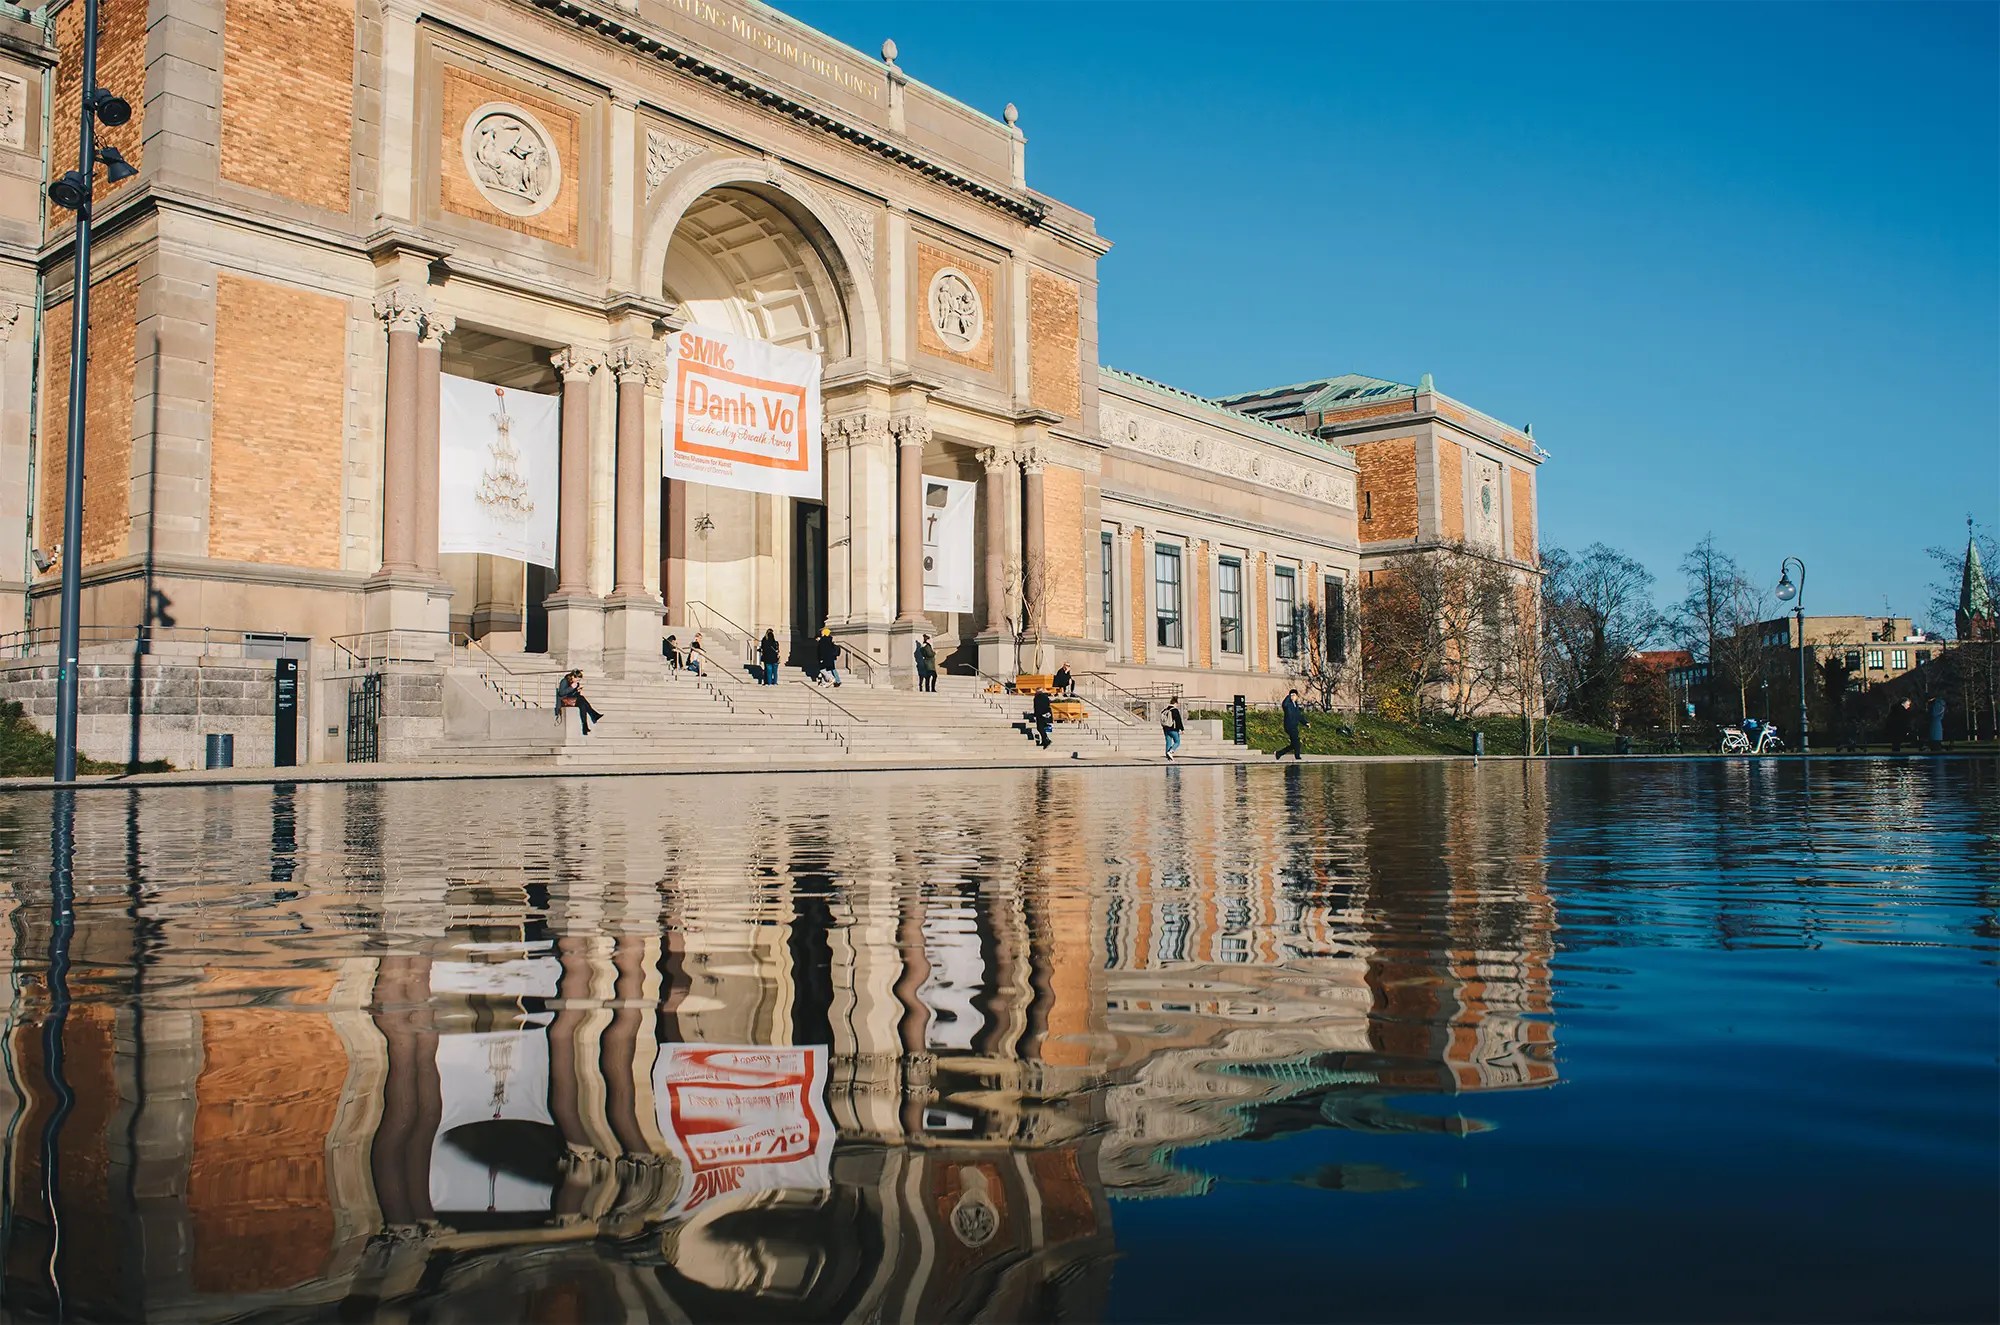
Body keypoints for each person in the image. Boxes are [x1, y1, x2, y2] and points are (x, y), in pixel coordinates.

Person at [555, 669, 603, 736]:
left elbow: (574, 695)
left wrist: (577, 691)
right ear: (573, 677)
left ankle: (585, 726)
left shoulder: (576, 684)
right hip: (564, 701)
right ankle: (593, 715)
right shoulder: (564, 681)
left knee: (582, 704)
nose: (578, 681)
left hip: (572, 700)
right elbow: (561, 693)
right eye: (577, 679)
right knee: (582, 699)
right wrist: (571, 687)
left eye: (579, 680)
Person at [1277, 688, 1306, 760]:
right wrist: (1289, 696)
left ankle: (1279, 753)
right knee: (1297, 742)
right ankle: (1297, 757)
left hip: (1294, 726)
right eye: (1292, 695)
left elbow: (1299, 716)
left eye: (1295, 695)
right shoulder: (1288, 704)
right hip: (1289, 726)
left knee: (1294, 744)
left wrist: (1305, 723)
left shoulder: (1296, 705)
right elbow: (1284, 704)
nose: (1294, 697)